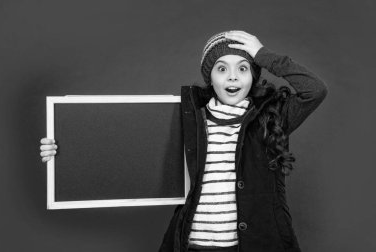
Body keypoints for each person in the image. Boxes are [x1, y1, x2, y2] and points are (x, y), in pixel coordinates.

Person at [40, 30, 328, 252]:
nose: (232, 77)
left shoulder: (273, 118)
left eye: (243, 68)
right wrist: (63, 154)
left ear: (253, 76)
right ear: (210, 77)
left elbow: (314, 90)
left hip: (256, 245)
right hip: (192, 244)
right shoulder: (189, 119)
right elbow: (120, 151)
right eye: (221, 68)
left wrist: (263, 54)